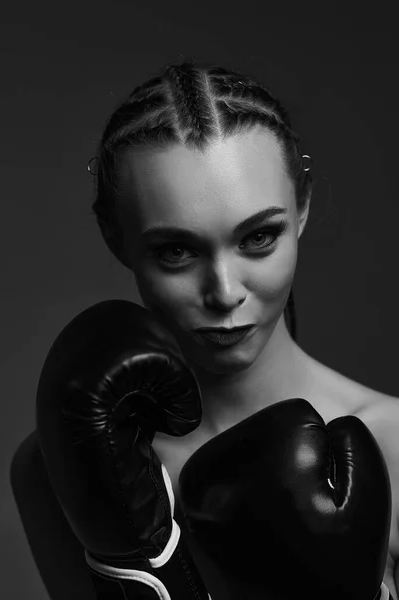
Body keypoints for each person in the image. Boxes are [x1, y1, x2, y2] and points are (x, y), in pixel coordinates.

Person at [81, 59, 398, 598]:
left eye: (258, 238)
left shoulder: (396, 443)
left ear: (301, 210)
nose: (225, 292)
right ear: (117, 240)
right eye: (175, 251)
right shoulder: (73, 466)